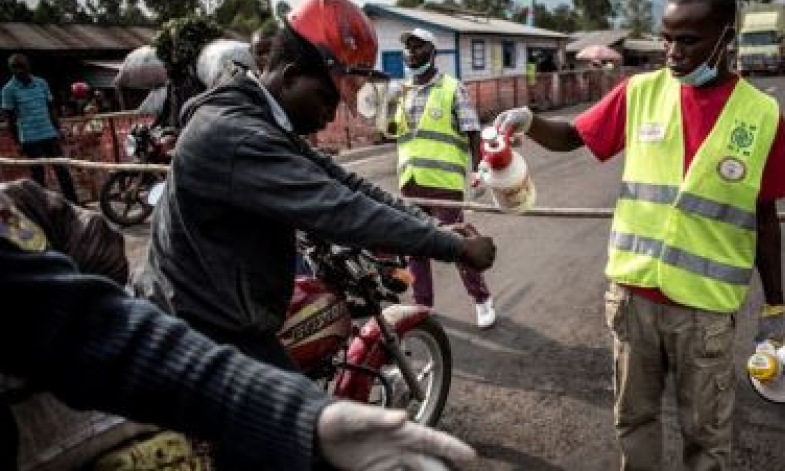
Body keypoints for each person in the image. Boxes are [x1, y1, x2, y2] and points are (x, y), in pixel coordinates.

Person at [496, 0, 785, 470]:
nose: (672, 52)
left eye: (688, 40)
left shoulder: (763, 116)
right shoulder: (641, 92)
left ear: (726, 38)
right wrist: (528, 120)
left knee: (707, 436)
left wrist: (777, 302)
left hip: (705, 310)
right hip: (633, 297)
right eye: (667, 37)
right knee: (634, 420)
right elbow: (573, 136)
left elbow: (766, 216)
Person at [134, 0, 496, 371]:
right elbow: (343, 209)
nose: (330, 115)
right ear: (290, 77)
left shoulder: (261, 116)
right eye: (327, 98)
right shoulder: (240, 134)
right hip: (201, 327)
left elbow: (348, 184)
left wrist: (436, 228)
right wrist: (453, 247)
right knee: (306, 418)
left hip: (219, 302)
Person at [0, 192, 477, 470]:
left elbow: (90, 325)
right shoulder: (236, 131)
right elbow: (337, 199)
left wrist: (304, 418)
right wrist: (447, 241)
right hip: (212, 311)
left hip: (171, 307)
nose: (331, 102)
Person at [393, 27, 496, 328]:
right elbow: (393, 132)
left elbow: (472, 130)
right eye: (408, 47)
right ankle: (422, 305)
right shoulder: (401, 91)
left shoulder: (452, 88)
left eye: (418, 47)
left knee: (455, 243)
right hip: (410, 180)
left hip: (443, 182)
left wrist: (478, 169)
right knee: (414, 246)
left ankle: (481, 298)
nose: (412, 52)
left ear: (432, 52)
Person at [1, 54, 79, 203]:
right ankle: (43, 209)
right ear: (11, 70)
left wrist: (58, 129)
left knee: (62, 171)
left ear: (28, 66)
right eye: (14, 68)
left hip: (49, 133)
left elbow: (51, 109)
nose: (18, 71)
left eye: (21, 67)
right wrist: (17, 142)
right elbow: (10, 119)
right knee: (38, 176)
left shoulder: (41, 83)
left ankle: (74, 203)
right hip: (29, 138)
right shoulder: (8, 90)